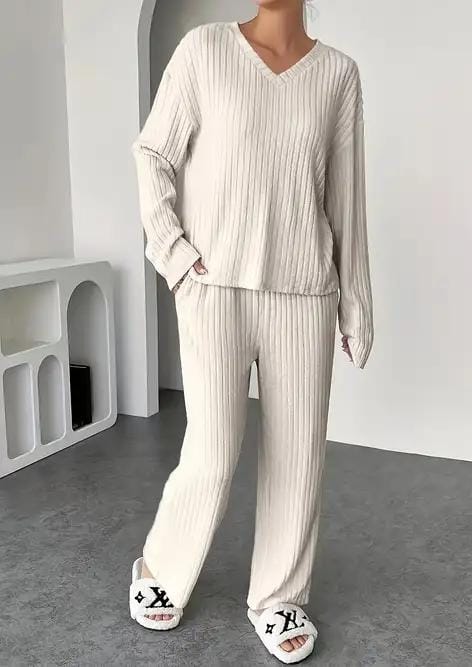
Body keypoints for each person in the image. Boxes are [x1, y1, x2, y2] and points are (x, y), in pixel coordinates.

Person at [129, 1, 373, 663]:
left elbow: (346, 197)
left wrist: (355, 301)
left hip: (304, 293)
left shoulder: (338, 75)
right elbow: (153, 152)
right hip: (214, 288)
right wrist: (175, 254)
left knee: (299, 456)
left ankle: (280, 595)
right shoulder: (204, 50)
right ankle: (161, 565)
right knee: (212, 450)